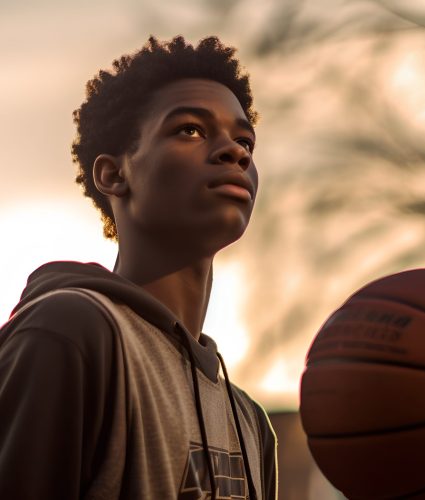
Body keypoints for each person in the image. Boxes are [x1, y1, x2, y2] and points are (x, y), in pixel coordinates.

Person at [0, 36, 276, 499]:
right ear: (113, 175)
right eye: (190, 129)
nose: (235, 152)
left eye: (244, 139)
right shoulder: (70, 333)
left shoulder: (249, 422)